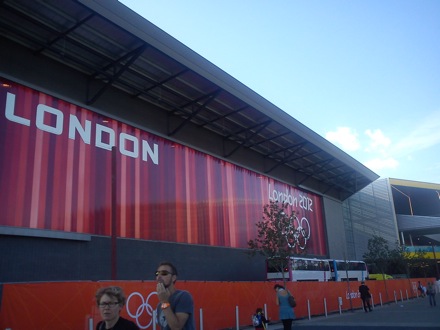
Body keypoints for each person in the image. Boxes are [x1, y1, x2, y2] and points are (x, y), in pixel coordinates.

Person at [155, 261, 195, 330]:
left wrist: (164, 302)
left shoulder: (183, 296)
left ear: (173, 278)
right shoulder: (160, 304)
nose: (159, 276)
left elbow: (176, 327)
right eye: (157, 273)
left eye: (164, 273)